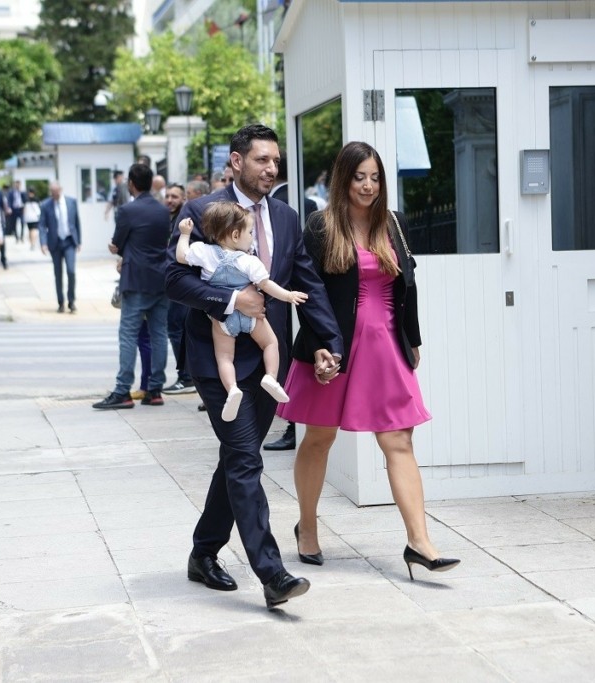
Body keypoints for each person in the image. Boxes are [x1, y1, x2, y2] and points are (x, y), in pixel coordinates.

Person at [166, 124, 343, 608]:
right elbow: (172, 279)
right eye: (262, 159)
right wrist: (230, 300)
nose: (271, 168)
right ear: (236, 161)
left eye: (275, 161)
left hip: (268, 361)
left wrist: (329, 342)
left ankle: (203, 553)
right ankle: (272, 573)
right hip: (217, 358)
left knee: (236, 458)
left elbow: (307, 283)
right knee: (246, 458)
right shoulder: (202, 211)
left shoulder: (287, 216)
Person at [279, 141, 459, 580]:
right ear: (344, 179)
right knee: (319, 437)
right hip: (334, 345)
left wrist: (412, 339)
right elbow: (309, 292)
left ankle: (420, 542)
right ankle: (307, 526)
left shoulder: (392, 223)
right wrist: (320, 345)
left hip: (385, 346)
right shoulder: (321, 226)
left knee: (399, 440)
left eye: (375, 177)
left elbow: (407, 283)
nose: (368, 186)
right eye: (360, 177)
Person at [175, 203, 304, 421]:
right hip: (252, 316)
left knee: (225, 357)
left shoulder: (203, 252)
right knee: (270, 343)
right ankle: (271, 377)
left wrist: (185, 234)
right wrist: (288, 296)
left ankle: (232, 389)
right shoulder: (249, 261)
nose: (252, 237)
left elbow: (181, 256)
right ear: (236, 235)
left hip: (223, 319)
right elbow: (266, 285)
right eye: (250, 233)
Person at [93, 164, 171, 410]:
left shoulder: (127, 210)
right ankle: (155, 389)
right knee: (159, 335)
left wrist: (117, 248)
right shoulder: (163, 210)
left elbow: (118, 242)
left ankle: (122, 390)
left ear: (131, 184)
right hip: (160, 279)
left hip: (136, 278)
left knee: (128, 335)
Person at [264, 153, 321, 451]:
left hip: (280, 294)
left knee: (283, 353)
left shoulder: (278, 204)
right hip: (298, 293)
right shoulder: (307, 201)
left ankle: (292, 425)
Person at [163, 183, 195, 396]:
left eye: (174, 196)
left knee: (177, 328)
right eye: (167, 196)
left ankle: (186, 376)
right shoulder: (168, 219)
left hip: (182, 280)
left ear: (183, 198)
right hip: (173, 280)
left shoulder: (185, 221)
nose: (170, 200)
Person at [37, 181, 81, 313]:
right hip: (55, 243)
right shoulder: (46, 205)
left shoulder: (71, 202)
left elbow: (77, 222)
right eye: (52, 192)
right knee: (58, 273)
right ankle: (61, 302)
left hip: (69, 241)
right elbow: (42, 225)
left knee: (71, 271)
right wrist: (43, 243)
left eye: (55, 192)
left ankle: (71, 301)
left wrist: (79, 241)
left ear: (60, 190)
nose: (54, 195)